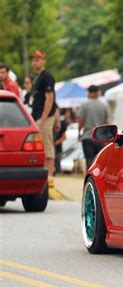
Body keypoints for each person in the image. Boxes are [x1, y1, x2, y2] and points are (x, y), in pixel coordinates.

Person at [30, 49, 58, 187]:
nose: (35, 62)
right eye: (33, 60)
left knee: (47, 145)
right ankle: (46, 176)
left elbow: (50, 99)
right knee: (41, 146)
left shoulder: (47, 76)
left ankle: (50, 178)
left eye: (37, 59)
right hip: (38, 116)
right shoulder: (37, 77)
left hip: (44, 117)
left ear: (43, 60)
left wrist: (43, 118)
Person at [78, 85, 109, 169]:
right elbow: (107, 122)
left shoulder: (84, 105)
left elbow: (81, 121)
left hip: (87, 136)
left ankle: (90, 179)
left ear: (89, 93)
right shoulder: (103, 105)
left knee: (89, 160)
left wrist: (79, 133)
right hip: (100, 138)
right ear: (97, 92)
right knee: (98, 161)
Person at [54, 108, 68, 174]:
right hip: (53, 146)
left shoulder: (62, 123)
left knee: (57, 162)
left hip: (58, 147)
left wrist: (56, 143)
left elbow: (64, 137)